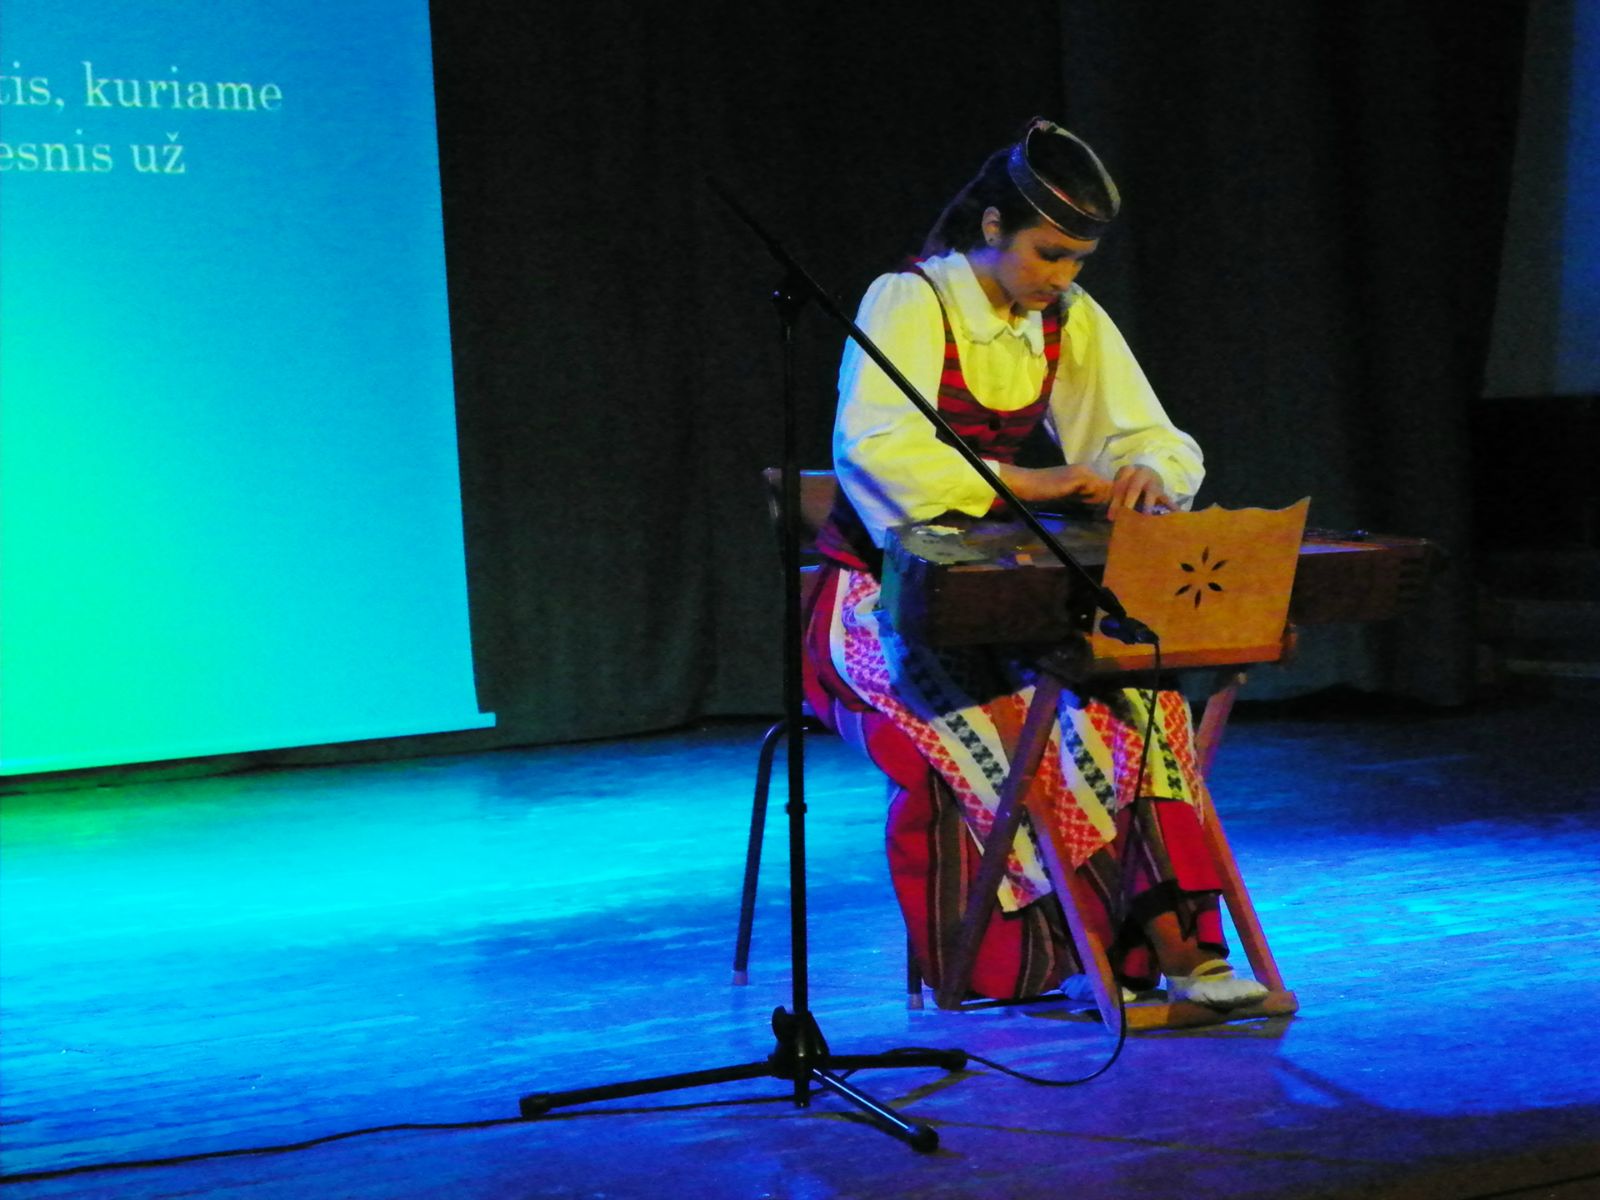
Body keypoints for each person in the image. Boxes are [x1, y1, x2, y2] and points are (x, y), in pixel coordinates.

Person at [803, 118, 1267, 1009]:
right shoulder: (910, 301)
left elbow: (1150, 434)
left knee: (1137, 708)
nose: (1061, 276)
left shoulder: (1067, 317)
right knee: (1007, 728)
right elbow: (878, 455)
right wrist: (1032, 481)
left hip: (1002, 603)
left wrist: (1146, 470)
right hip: (878, 603)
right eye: (1047, 254)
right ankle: (1062, 955)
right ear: (991, 227)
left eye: (1077, 261)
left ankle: (1178, 952)